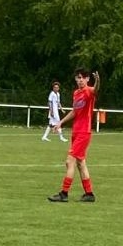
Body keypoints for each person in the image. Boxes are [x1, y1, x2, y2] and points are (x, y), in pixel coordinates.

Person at [47, 68, 100, 203]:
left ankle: (64, 193)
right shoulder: (76, 93)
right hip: (76, 132)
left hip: (84, 132)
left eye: (82, 77)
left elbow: (95, 90)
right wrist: (60, 122)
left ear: (87, 79)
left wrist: (97, 81)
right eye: (78, 78)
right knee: (81, 163)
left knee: (69, 161)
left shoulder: (88, 91)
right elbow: (75, 111)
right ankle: (89, 194)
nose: (80, 80)